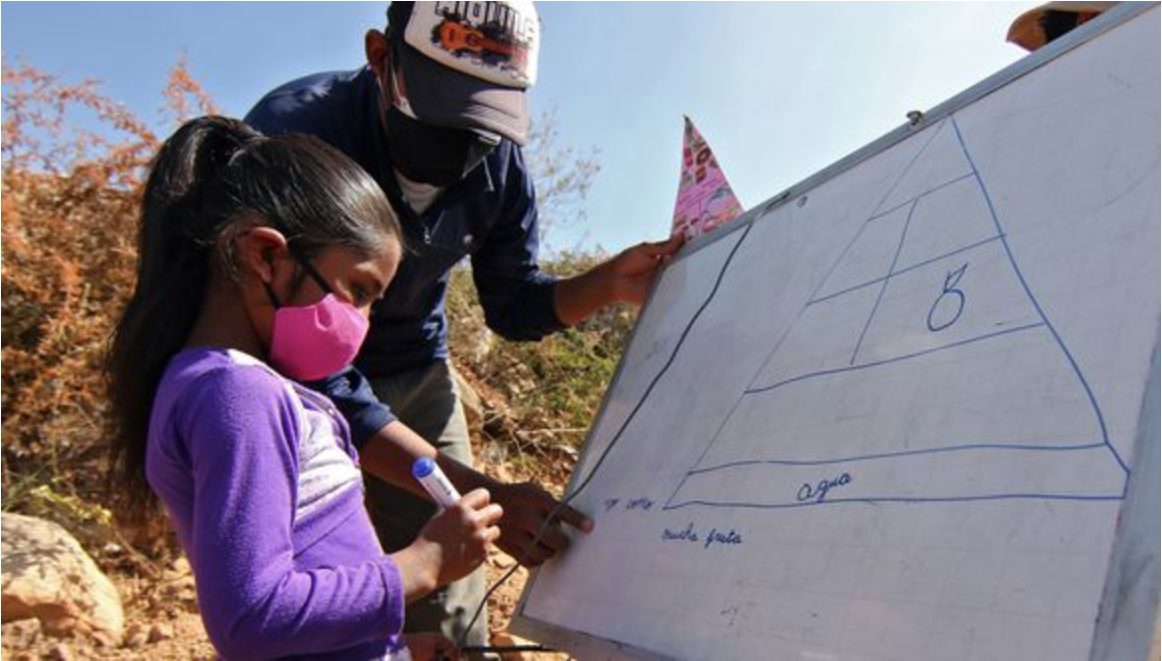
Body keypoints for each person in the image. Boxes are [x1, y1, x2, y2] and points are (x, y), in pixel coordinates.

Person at [245, 1, 683, 647]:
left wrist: (605, 285)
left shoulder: (498, 165)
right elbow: (303, 363)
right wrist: (481, 494)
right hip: (296, 391)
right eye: (442, 104)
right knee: (327, 601)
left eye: (483, 114)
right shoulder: (297, 141)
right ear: (380, 57)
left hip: (420, 376)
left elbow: (514, 306)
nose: (463, 141)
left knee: (452, 613)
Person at [106, 115, 506, 660]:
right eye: (357, 290)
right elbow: (253, 617)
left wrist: (394, 650)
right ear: (267, 256)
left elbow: (305, 589)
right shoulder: (239, 395)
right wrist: (424, 563)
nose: (361, 323)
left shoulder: (227, 386)